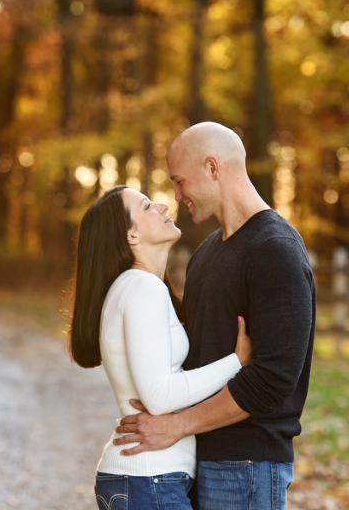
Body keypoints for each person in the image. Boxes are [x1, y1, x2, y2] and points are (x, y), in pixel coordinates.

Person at [112, 122, 316, 510]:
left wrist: (176, 426)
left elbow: (273, 379)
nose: (175, 195)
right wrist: (161, 406)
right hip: (198, 456)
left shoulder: (275, 250)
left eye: (179, 181)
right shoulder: (205, 254)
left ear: (212, 167)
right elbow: (196, 353)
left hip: (248, 465)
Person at [68, 184, 253, 510]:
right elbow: (158, 395)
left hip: (147, 480)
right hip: (149, 480)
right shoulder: (142, 288)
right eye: (146, 207)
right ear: (131, 237)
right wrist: (237, 362)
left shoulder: (137, 287)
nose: (164, 206)